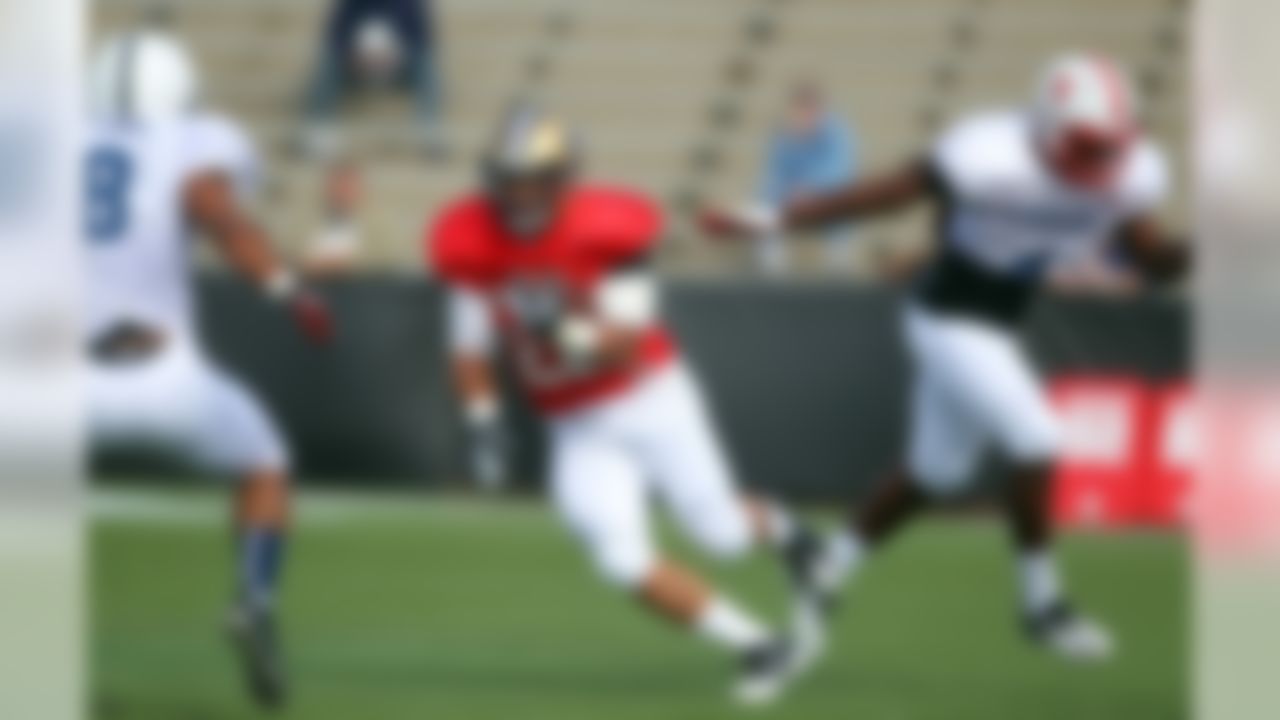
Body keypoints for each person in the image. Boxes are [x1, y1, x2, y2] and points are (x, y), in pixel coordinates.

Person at [702, 53, 1188, 663]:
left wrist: (1193, 251)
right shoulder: (989, 153)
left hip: (998, 322)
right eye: (1085, 146)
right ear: (1044, 126)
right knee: (1036, 437)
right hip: (947, 315)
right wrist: (776, 217)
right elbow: (886, 195)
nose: (1097, 164)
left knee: (937, 474)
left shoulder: (1130, 173)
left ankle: (829, 565)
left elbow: (1153, 258)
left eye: (1107, 148)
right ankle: (1043, 604)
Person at [429, 105, 825, 705]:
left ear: (564, 179)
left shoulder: (609, 228)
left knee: (721, 535)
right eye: (511, 178)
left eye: (535, 178)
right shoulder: (471, 242)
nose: (520, 193)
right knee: (618, 558)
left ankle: (785, 529)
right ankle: (760, 645)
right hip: (575, 424)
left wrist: (556, 327)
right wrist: (481, 420)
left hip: (650, 396)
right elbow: (466, 351)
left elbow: (623, 344)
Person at [86, 29, 335, 708]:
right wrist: (290, 291)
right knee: (263, 460)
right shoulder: (196, 139)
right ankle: (254, 596)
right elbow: (217, 214)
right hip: (158, 374)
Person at [302, 0, 443, 157]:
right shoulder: (350, 4)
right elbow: (335, 35)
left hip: (397, 67)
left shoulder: (411, 4)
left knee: (426, 65)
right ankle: (319, 129)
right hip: (356, 66)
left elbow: (422, 38)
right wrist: (351, 55)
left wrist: (397, 56)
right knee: (328, 63)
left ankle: (429, 132)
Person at [756, 81, 857, 276]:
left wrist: (811, 188)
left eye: (808, 110)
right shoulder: (785, 136)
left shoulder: (838, 132)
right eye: (798, 110)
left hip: (827, 196)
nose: (802, 115)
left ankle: (839, 264)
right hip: (793, 197)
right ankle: (772, 268)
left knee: (843, 203)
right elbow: (773, 173)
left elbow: (841, 170)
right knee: (764, 205)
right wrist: (784, 193)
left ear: (818, 110)